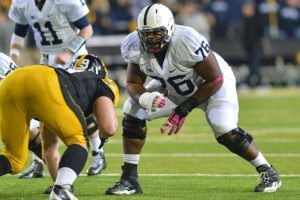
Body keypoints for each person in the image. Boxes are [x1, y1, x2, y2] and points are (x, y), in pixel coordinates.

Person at [105, 3, 281, 195]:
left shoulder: (187, 39)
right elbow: (132, 83)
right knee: (133, 108)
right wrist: (147, 98)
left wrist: (186, 107)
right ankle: (129, 179)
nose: (150, 39)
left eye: (156, 33)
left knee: (223, 127)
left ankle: (268, 171)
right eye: (146, 34)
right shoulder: (134, 46)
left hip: (213, 86)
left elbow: (215, 78)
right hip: (174, 86)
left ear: (170, 28)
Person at [8, 0, 107, 183]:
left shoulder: (64, 1)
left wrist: (69, 52)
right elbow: (19, 31)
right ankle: (39, 161)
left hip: (75, 58)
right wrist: (12, 58)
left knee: (79, 109)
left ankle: (98, 153)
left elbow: (87, 29)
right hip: (48, 59)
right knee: (40, 111)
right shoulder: (23, 3)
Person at [0, 53, 119, 200]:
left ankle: (62, 188)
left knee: (14, 159)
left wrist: (61, 177)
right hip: (47, 83)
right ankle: (61, 189)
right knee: (79, 141)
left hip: (10, 81)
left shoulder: (68, 78)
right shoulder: (103, 82)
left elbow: (49, 151)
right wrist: (103, 138)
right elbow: (109, 128)